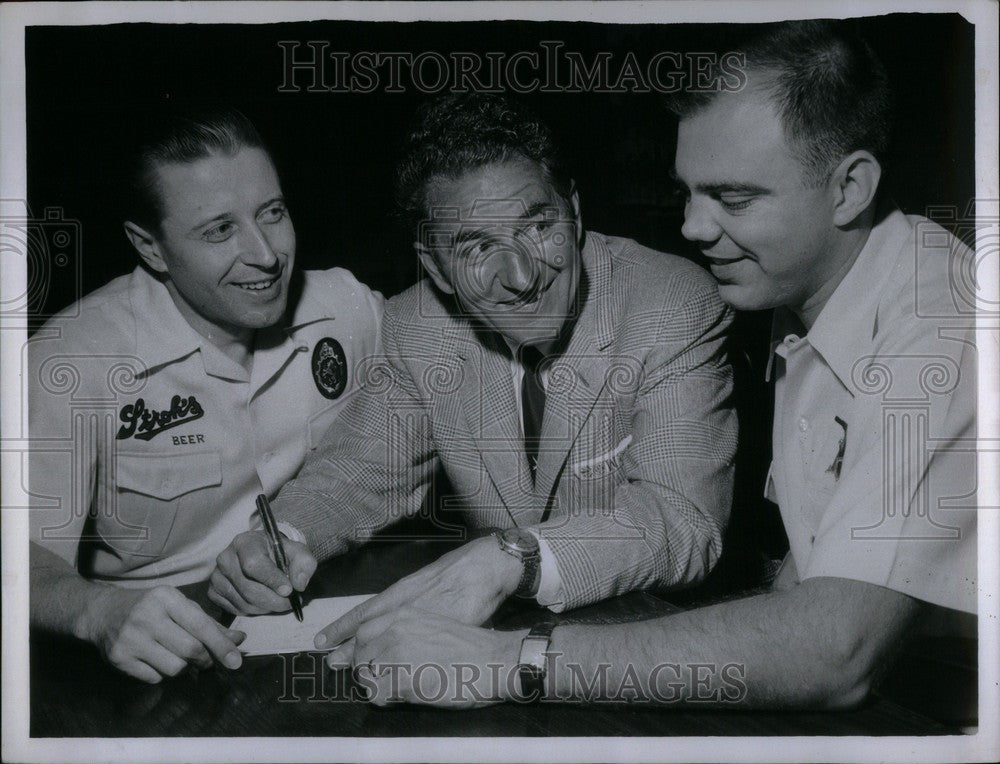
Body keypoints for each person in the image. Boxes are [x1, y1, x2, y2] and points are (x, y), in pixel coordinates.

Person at [324, 21, 978, 709]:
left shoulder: (940, 333)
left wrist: (506, 660)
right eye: (687, 192)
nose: (693, 227)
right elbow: (807, 582)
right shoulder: (808, 295)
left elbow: (837, 653)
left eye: (733, 198)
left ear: (850, 189)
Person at [210, 93, 738, 651]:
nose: (521, 274)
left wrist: (515, 557)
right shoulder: (418, 325)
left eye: (538, 227)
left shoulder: (670, 305)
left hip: (645, 654)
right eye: (477, 246)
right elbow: (360, 469)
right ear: (435, 266)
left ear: (575, 212)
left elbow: (682, 518)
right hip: (486, 652)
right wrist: (285, 537)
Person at [28, 109, 384, 683]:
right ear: (151, 247)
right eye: (220, 230)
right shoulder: (70, 363)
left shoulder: (345, 308)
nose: (266, 255)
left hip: (328, 617)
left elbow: (423, 416)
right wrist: (94, 612)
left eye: (272, 213)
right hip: (161, 658)